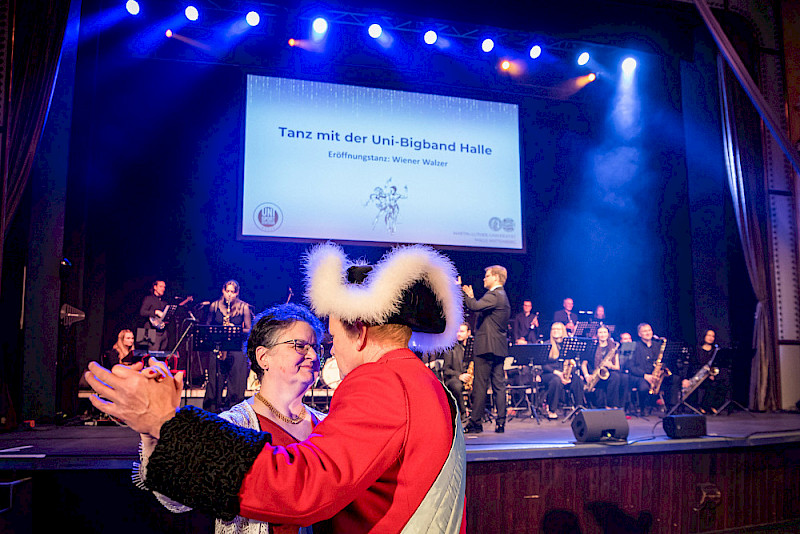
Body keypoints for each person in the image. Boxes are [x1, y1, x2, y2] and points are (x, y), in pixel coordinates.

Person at [86, 243, 465, 533]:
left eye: (328, 339)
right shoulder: (426, 385)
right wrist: (159, 430)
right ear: (263, 358)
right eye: (298, 345)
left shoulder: (381, 382)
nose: (325, 351)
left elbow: (303, 486)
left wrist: (169, 423)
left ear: (360, 331)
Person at [139, 303, 329, 534]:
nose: (313, 355)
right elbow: (177, 502)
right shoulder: (234, 424)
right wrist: (153, 437)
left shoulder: (327, 424)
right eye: (300, 346)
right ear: (263, 357)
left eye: (315, 347)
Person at [461, 265, 511, 434]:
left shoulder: (494, 295)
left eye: (487, 276)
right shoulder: (502, 296)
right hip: (498, 347)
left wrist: (467, 296)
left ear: (496, 278)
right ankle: (500, 422)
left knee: (480, 385)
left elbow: (474, 306)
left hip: (486, 347)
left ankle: (475, 423)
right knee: (498, 385)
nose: (484, 278)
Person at [204, 280, 253, 413]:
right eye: (227, 291)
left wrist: (235, 329)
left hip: (236, 349)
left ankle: (235, 412)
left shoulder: (243, 307)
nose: (230, 295)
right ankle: (212, 411)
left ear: (237, 293)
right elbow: (208, 326)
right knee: (215, 381)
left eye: (232, 292)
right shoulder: (214, 306)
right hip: (219, 347)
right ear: (223, 291)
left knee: (236, 383)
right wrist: (220, 329)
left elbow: (249, 329)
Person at [541, 322, 584, 419]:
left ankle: (578, 408)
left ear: (563, 331)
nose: (556, 331)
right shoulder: (547, 344)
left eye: (558, 329)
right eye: (553, 329)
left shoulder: (569, 345)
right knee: (556, 381)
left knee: (577, 380)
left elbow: (572, 362)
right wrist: (559, 374)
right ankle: (552, 410)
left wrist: (569, 374)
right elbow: (544, 365)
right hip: (550, 373)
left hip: (565, 372)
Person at [627, 323, 670, 413]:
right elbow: (630, 366)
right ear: (639, 334)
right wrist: (645, 376)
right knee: (644, 387)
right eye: (644, 331)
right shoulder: (634, 346)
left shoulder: (658, 345)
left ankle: (672, 408)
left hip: (655, 375)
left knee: (674, 379)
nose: (648, 333)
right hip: (640, 376)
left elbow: (663, 361)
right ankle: (644, 408)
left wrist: (661, 371)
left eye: (649, 330)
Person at [681, 329, 726, 413]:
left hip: (709, 376)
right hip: (697, 375)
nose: (711, 338)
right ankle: (696, 407)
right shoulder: (697, 350)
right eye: (709, 335)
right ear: (704, 336)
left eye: (713, 336)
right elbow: (692, 365)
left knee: (717, 383)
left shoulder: (715, 351)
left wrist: (712, 374)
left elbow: (716, 365)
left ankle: (706, 406)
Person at [581, 326, 622, 409]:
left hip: (608, 373)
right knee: (599, 402)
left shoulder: (613, 347)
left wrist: (611, 366)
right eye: (600, 332)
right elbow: (584, 364)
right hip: (596, 375)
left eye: (604, 332)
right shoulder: (592, 347)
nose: (602, 335)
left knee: (616, 377)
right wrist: (587, 375)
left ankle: (611, 405)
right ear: (597, 334)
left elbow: (617, 367)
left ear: (608, 334)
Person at [442, 323, 473, 423]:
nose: (459, 334)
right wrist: (459, 376)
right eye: (457, 331)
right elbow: (446, 370)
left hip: (468, 377)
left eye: (462, 331)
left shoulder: (472, 349)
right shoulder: (450, 348)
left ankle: (475, 415)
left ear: (468, 333)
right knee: (456, 386)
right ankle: (463, 413)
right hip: (453, 379)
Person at [139, 280, 169, 351]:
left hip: (163, 332)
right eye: (161, 286)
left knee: (162, 354)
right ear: (155, 287)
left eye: (164, 287)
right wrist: (155, 312)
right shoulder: (149, 299)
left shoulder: (164, 301)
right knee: (152, 355)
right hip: (151, 331)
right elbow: (142, 312)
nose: (163, 289)